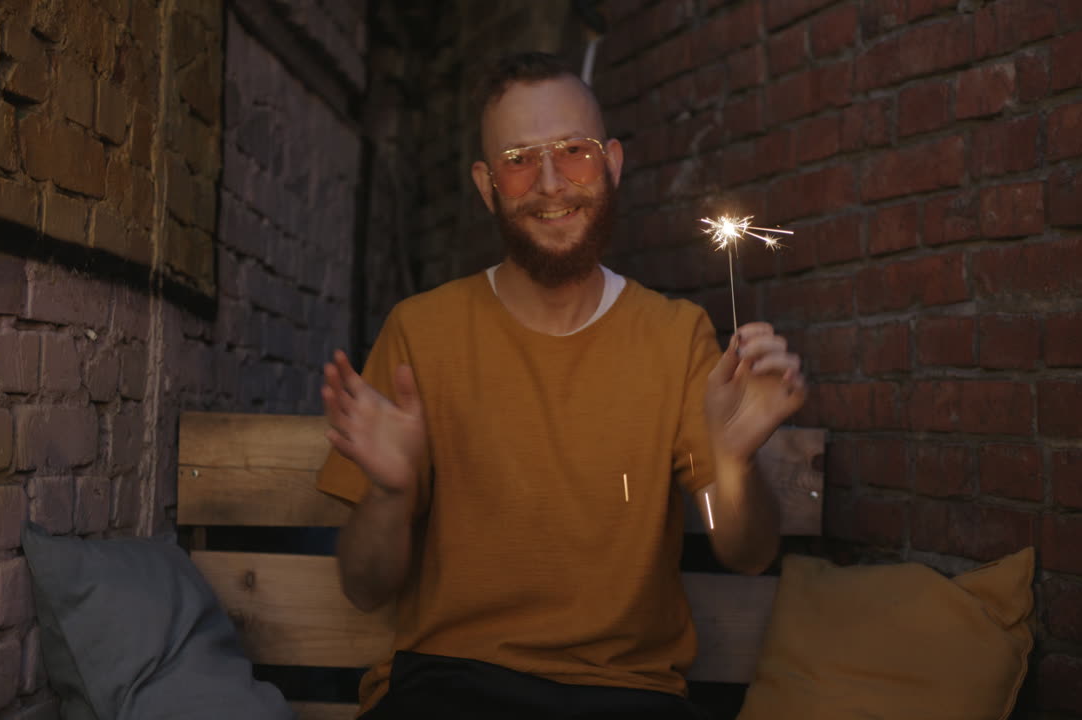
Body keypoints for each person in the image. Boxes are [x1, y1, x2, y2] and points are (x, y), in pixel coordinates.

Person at [317, 52, 806, 720]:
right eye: (520, 159)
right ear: (488, 186)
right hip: (450, 689)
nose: (550, 183)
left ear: (611, 163)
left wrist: (732, 464)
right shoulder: (420, 333)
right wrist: (390, 494)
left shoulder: (676, 335)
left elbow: (744, 553)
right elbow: (364, 586)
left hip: (629, 698)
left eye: (573, 152)